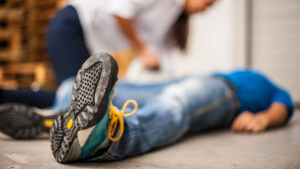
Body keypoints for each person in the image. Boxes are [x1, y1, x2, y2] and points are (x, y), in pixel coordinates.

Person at [0, 52, 294, 163]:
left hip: (223, 94)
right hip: (194, 80)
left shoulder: (270, 87)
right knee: (71, 85)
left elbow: (284, 106)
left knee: (177, 103)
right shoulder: (230, 71)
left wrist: (264, 118)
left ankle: (108, 136)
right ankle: (61, 117)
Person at [0, 0, 221, 108]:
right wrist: (142, 49)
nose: (205, 10)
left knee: (78, 99)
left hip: (86, 39)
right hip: (73, 23)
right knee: (77, 100)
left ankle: (17, 102)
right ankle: (6, 98)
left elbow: (161, 54)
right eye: (207, 3)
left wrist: (174, 84)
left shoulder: (173, 15)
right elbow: (120, 10)